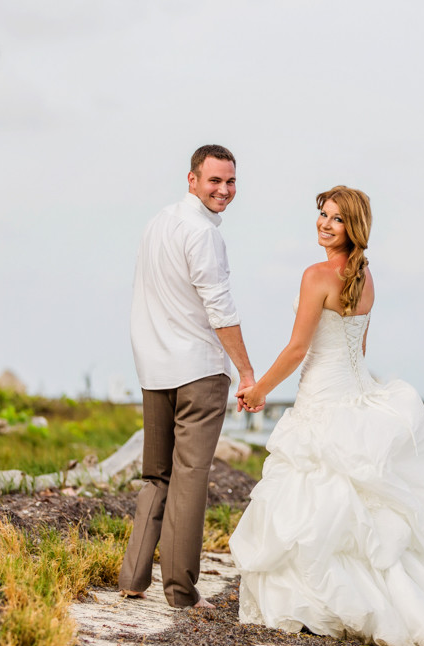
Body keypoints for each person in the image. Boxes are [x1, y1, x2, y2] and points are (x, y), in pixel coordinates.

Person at [230, 186, 424, 646]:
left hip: (324, 396)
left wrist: (259, 388)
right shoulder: (365, 278)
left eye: (336, 219)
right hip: (354, 390)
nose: (325, 224)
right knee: (356, 507)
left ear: (354, 227)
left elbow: (299, 348)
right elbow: (358, 347)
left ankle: (322, 604)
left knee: (318, 502)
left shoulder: (316, 275)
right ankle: (396, 604)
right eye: (322, 215)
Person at [119, 144, 259, 609]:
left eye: (231, 181)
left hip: (155, 367)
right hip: (198, 368)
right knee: (189, 477)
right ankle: (180, 591)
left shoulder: (158, 222)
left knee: (156, 476)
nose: (224, 190)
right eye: (215, 180)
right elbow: (220, 309)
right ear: (192, 179)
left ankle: (133, 577)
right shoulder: (203, 233)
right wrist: (245, 370)